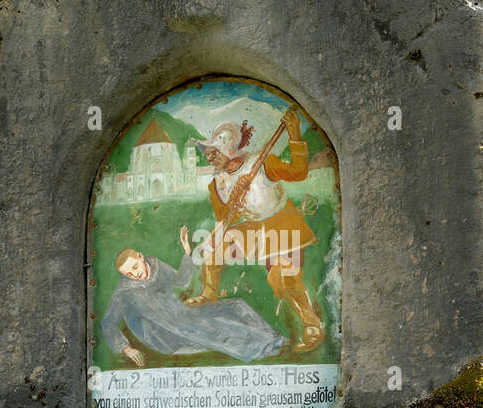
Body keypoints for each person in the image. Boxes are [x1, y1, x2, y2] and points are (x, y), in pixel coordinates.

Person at [187, 108, 325, 353]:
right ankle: (209, 292)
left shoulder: (260, 162)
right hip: (252, 227)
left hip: (281, 222)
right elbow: (224, 218)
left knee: (283, 281)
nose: (209, 158)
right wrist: (235, 200)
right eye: (207, 154)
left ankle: (312, 326)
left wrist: (294, 135)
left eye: (212, 153)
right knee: (215, 244)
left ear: (227, 148)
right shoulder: (217, 182)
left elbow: (298, 172)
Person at [100, 225, 285, 367]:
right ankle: (264, 349)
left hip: (181, 314)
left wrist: (187, 253)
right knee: (218, 327)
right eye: (129, 274)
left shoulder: (154, 264)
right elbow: (108, 322)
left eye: (135, 267)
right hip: (163, 332)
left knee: (235, 305)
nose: (135, 274)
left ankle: (275, 338)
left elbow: (181, 282)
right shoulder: (125, 291)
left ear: (140, 257)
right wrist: (126, 348)